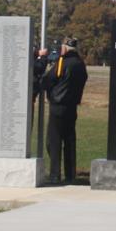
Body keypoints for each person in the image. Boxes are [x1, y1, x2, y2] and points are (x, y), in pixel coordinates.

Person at [39, 36, 87, 184]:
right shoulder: (80, 64)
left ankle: (55, 174)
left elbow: (48, 80)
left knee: (53, 141)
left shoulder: (62, 62)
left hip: (58, 105)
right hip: (72, 107)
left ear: (65, 47)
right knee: (69, 141)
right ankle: (70, 175)